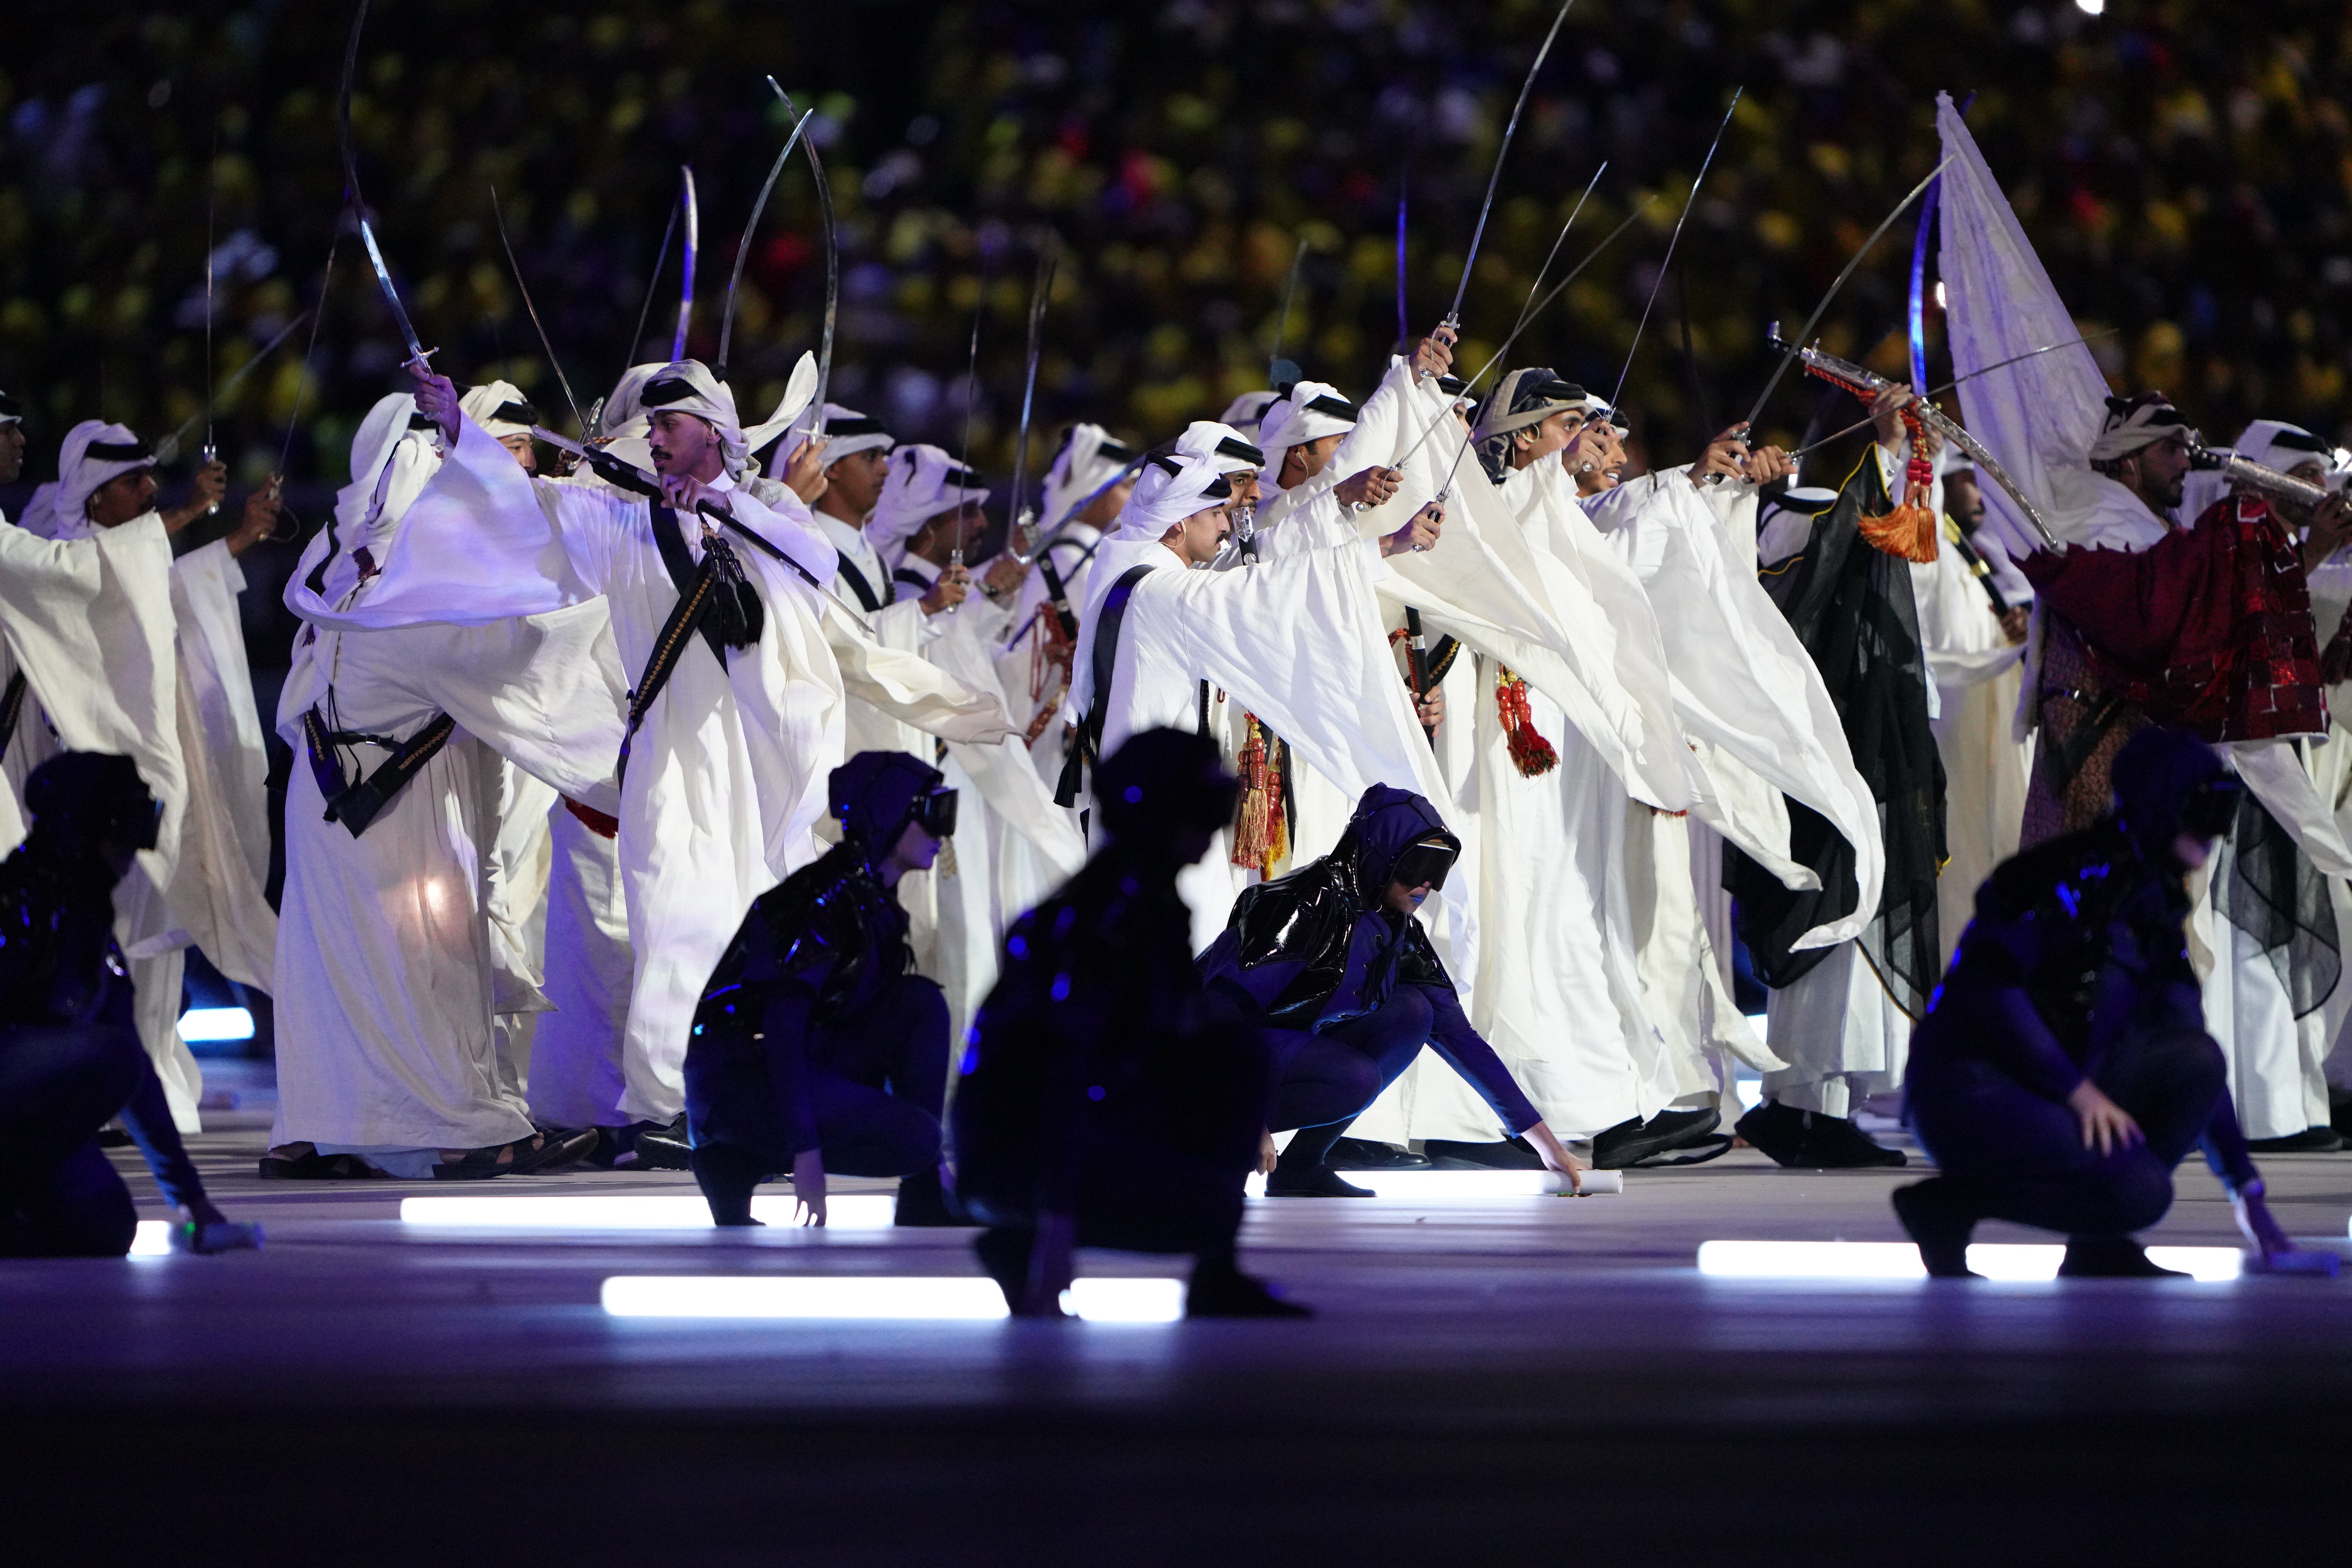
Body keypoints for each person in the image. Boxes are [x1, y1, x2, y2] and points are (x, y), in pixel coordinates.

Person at [266, 389, 606, 1179]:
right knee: (424, 962)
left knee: (331, 968)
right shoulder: (414, 596)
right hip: (395, 807)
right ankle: (463, 1130)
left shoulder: (342, 565)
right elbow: (524, 652)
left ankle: (317, 1129)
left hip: (325, 804)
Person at [1895, 727, 2298, 1278]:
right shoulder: (2064, 877)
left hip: (2056, 1085)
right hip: (1972, 1088)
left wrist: (2246, 1190)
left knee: (2195, 1060)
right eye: (2205, 811)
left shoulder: (2156, 904)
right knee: (2142, 1193)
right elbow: (1994, 986)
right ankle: (1948, 1207)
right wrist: (2079, 1094)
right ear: (2164, 804)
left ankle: (2099, 1242)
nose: (2217, 834)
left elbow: (2195, 1055)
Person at [952, 728, 1308, 1318]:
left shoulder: (1134, 902)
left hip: (1028, 1150)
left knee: (1226, 1051)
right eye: (1202, 807)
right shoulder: (1108, 919)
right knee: (1206, 1195)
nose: (1215, 824)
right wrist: (1057, 1225)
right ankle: (1028, 1234)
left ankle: (1035, 1234)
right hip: (1019, 1161)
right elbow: (1061, 1068)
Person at [0, 419, 282, 1133]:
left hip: (117, 795)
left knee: (149, 934)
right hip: (50, 790)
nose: (151, 494)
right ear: (96, 499)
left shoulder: (114, 554)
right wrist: (184, 514)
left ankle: (140, 1078)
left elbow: (157, 591)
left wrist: (235, 537)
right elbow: (83, 579)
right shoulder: (48, 556)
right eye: (134, 485)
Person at [1199, 783, 1586, 1196]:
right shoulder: (1304, 903)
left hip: (1269, 1049)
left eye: (1439, 868)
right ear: (1379, 854)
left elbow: (1459, 1037)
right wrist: (1244, 1118)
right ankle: (1205, 1142)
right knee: (1353, 1077)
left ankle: (1301, 1166)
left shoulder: (1397, 927)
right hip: (1198, 1054)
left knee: (1413, 1012)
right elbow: (1218, 1011)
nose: (1427, 883)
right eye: (1416, 862)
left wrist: (1547, 1145)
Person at [685, 751, 963, 1228]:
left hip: (794, 1061)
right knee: (916, 1138)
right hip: (739, 1082)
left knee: (920, 1003)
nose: (943, 833)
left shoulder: (868, 893)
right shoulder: (823, 900)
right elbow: (782, 1026)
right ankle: (735, 1156)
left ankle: (922, 1196)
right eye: (932, 814)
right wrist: (805, 1153)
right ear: (892, 815)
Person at [0, 753, 257, 1257]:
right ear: (83, 829)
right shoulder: (17, 903)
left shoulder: (88, 920)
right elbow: (118, 1057)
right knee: (109, 1054)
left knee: (107, 1226)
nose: (131, 853)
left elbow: (136, 1068)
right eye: (121, 829)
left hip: (24, 1117)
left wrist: (192, 1203)